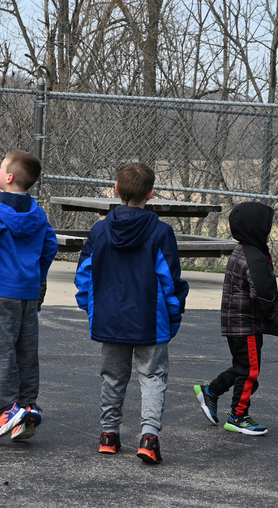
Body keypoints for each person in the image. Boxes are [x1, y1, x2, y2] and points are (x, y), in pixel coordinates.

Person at [75, 163, 188, 464]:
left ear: (116, 189)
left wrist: (89, 306)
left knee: (112, 376)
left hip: (110, 318)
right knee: (152, 375)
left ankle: (109, 435)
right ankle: (149, 437)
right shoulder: (161, 232)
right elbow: (170, 281)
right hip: (149, 320)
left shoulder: (100, 231)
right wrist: (174, 315)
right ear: (151, 194)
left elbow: (84, 275)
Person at [0, 150, 57, 441]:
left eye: (0, 166)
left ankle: (7, 408)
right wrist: (38, 275)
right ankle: (28, 404)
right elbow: (50, 246)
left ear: (9, 177)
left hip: (1, 291)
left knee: (0, 351)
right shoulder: (37, 211)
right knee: (27, 351)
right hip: (28, 293)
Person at [194, 202, 278, 436]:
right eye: (266, 226)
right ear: (256, 228)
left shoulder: (243, 250)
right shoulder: (254, 256)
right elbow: (262, 294)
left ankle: (211, 391)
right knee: (250, 372)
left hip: (236, 324)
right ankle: (238, 415)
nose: (267, 231)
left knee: (243, 367)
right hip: (246, 325)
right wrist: (275, 316)